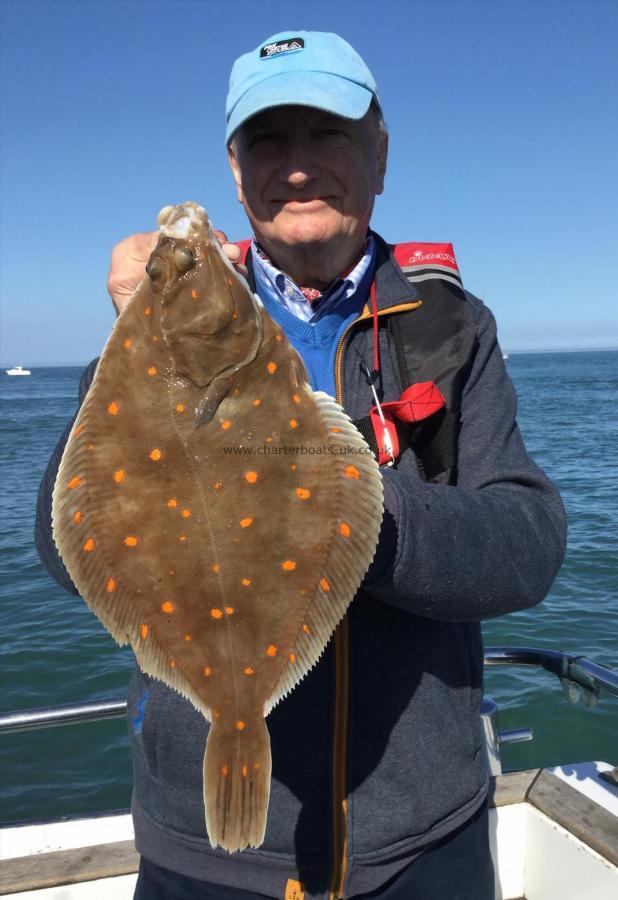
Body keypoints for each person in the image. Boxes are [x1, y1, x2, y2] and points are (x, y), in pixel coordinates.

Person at [36, 30, 567, 900]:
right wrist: (131, 335)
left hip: (424, 839)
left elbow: (531, 541)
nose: (297, 167)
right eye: (269, 142)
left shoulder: (452, 328)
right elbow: (63, 548)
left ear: (379, 154)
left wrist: (355, 516)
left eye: (327, 135)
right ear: (236, 170)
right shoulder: (154, 329)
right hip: (199, 851)